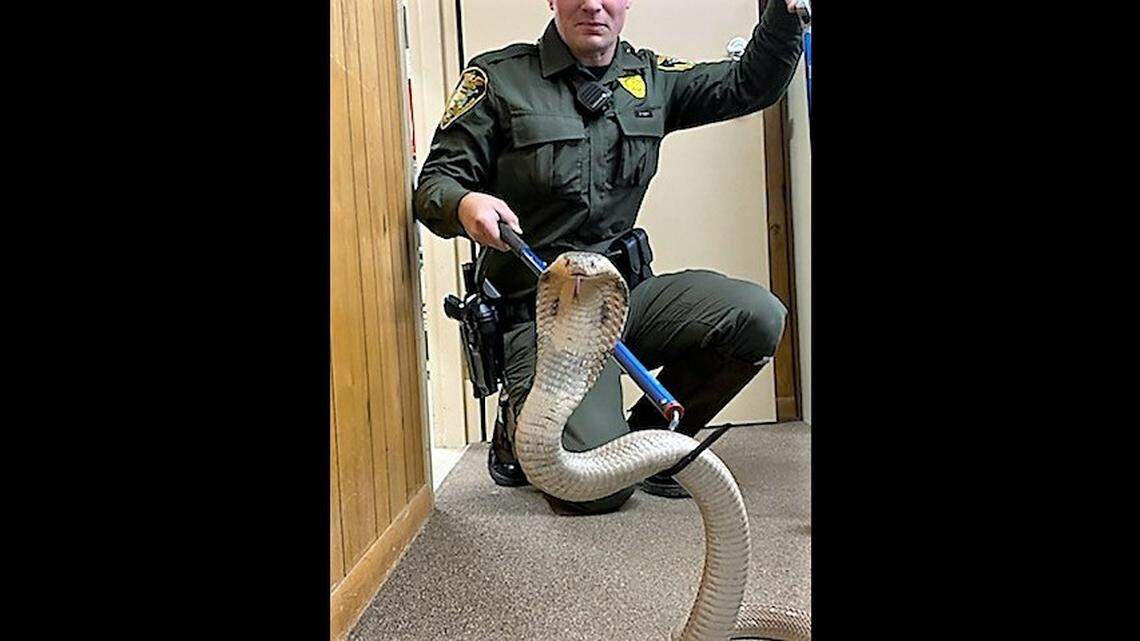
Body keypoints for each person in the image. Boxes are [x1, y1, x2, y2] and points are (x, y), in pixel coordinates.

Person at [414, 0, 804, 514]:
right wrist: (465, 203)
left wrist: (784, 12)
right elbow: (434, 185)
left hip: (623, 294)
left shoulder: (650, 77)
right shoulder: (498, 79)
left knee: (758, 316)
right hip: (541, 313)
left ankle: (648, 441)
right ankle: (519, 423)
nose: (593, 4)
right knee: (592, 488)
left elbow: (752, 83)